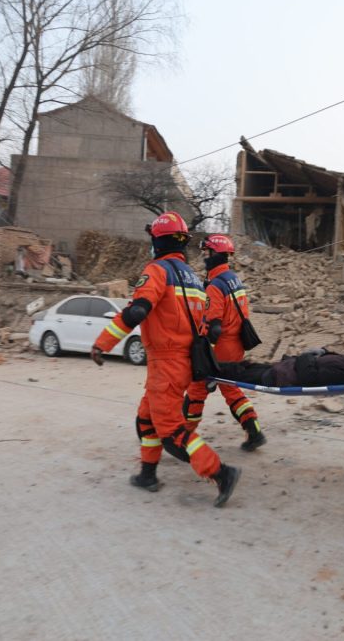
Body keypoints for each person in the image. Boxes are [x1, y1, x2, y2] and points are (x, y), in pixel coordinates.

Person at [90, 212, 240, 507]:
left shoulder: (157, 271)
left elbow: (136, 311)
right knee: (146, 418)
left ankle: (220, 472)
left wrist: (103, 343)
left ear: (158, 241)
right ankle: (147, 474)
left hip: (166, 363)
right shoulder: (194, 279)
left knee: (171, 431)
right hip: (185, 361)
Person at [182, 234, 266, 451]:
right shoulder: (233, 279)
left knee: (196, 390)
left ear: (216, 254)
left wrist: (205, 357)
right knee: (232, 390)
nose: (204, 256)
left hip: (219, 349)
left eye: (207, 252)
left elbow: (214, 327)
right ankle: (254, 430)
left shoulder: (215, 286)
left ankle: (182, 435)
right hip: (235, 345)